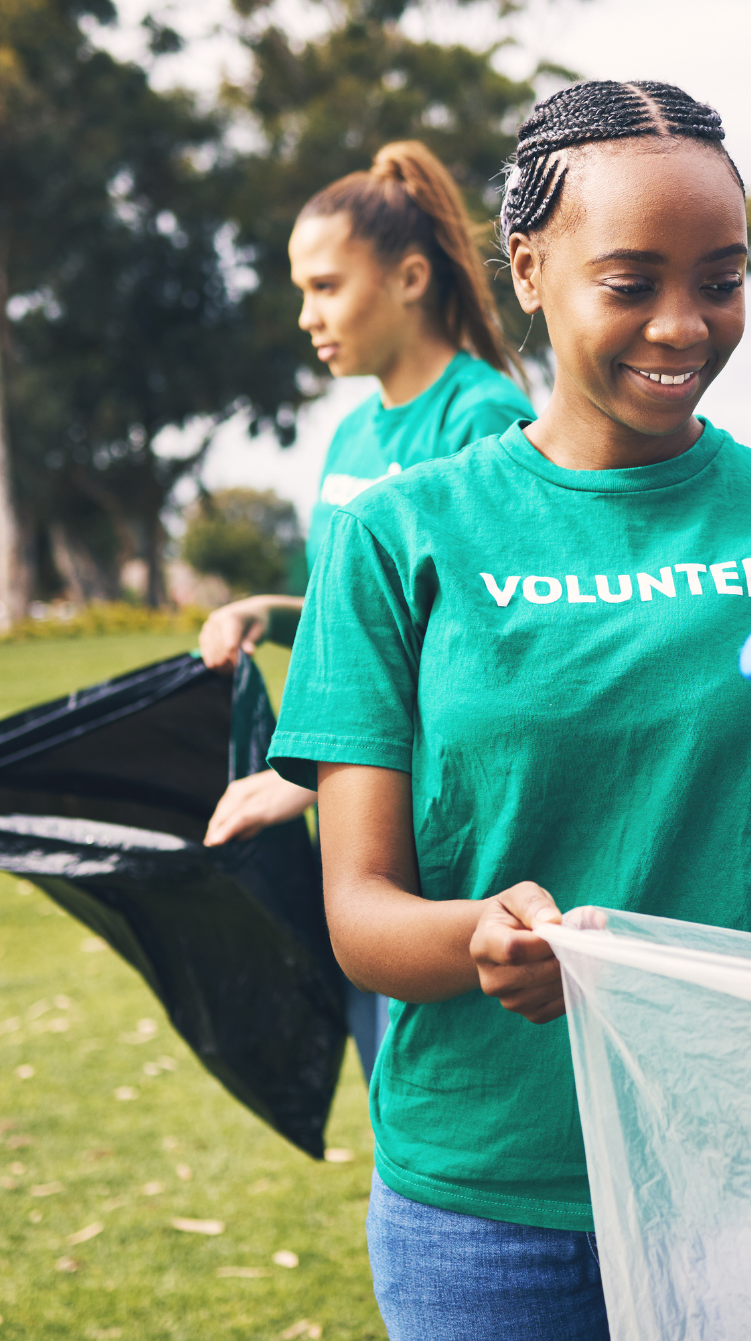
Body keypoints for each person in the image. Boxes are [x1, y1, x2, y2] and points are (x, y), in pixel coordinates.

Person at [265, 79, 751, 1339]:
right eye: (631, 283)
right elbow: (359, 915)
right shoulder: (399, 537)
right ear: (526, 270)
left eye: (720, 280)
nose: (683, 325)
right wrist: (476, 941)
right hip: (490, 1205)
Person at [196, 141, 534, 1078]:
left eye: (326, 287)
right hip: (355, 825)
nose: (308, 316)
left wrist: (303, 779)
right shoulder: (352, 430)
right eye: (301, 290)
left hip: (436, 838)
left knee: (439, 1077)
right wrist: (273, 608)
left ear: (411, 277)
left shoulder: (482, 417)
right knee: (387, 1080)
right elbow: (375, 616)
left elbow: (480, 645)